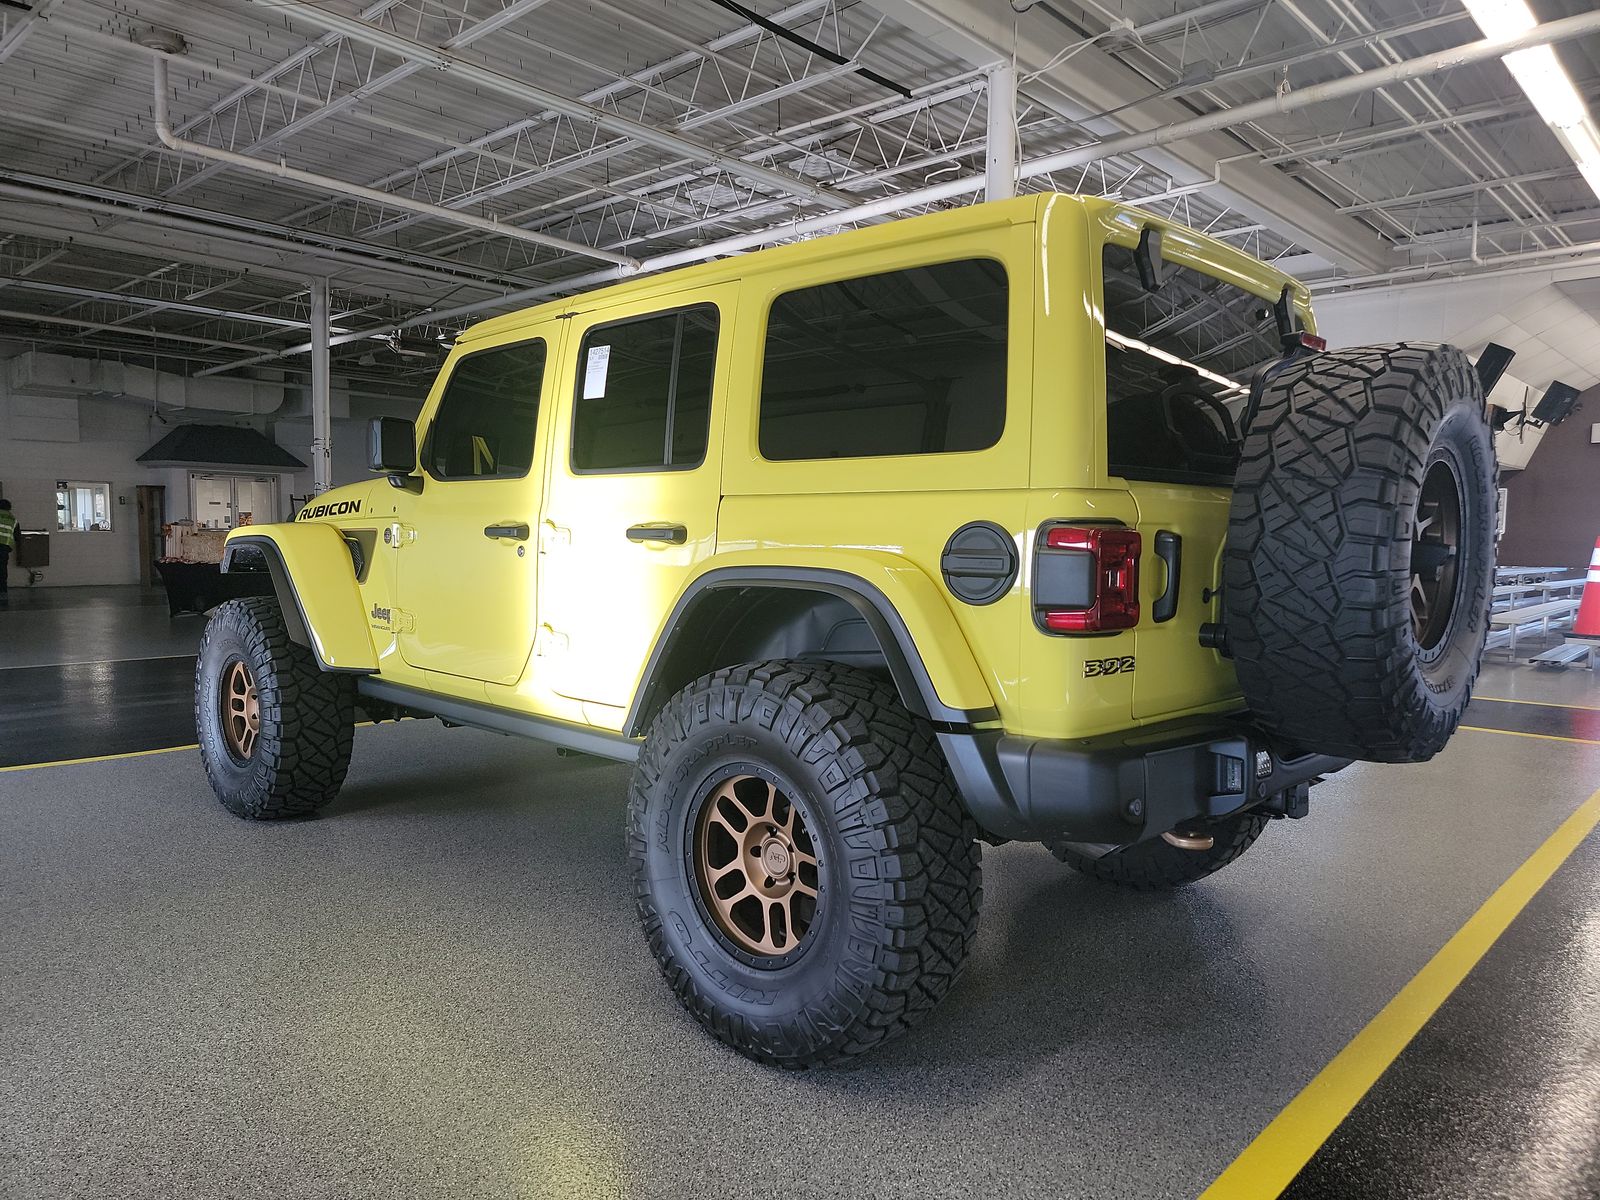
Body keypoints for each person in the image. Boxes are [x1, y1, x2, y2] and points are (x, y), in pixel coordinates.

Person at [0, 498, 15, 597]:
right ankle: (3, 591)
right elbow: (17, 536)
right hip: (4, 547)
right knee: (2, 569)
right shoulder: (13, 519)